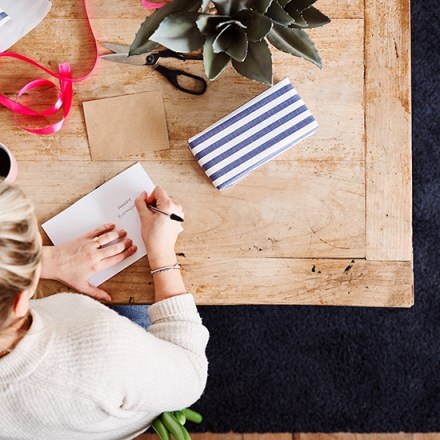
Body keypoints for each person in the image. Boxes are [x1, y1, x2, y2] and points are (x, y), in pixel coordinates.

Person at [0, 183, 209, 439]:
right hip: (116, 401)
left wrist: (49, 261)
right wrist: (162, 253)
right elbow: (190, 376)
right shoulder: (101, 348)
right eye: (35, 252)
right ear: (20, 301)